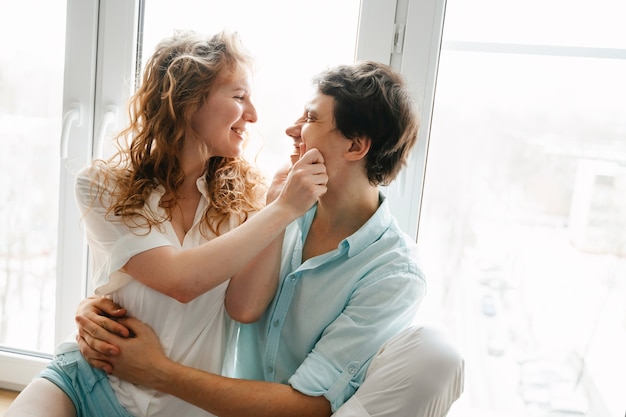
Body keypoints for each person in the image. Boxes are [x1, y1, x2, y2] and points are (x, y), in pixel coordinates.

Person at [73, 61, 465, 417]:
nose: (292, 130)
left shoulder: (394, 275)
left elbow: (308, 406)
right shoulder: (278, 205)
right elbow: (226, 296)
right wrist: (99, 303)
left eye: (311, 118)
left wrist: (158, 371)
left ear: (356, 146)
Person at [5, 30, 327, 417]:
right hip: (88, 383)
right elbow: (179, 281)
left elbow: (244, 308)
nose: (254, 115)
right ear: (188, 101)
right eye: (239, 97)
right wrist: (282, 210)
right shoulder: (102, 184)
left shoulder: (248, 201)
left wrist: (275, 206)